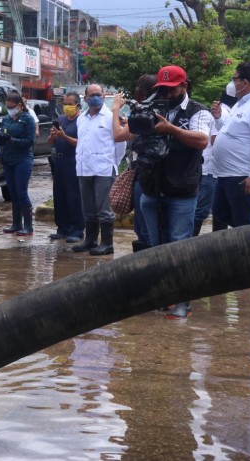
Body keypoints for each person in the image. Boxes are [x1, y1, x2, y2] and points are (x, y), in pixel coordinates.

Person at [139, 65, 212, 319]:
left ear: (184, 86)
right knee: (156, 247)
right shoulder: (154, 108)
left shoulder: (198, 111)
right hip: (152, 187)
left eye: (172, 90)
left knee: (179, 246)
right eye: (163, 90)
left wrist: (171, 130)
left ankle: (183, 300)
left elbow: (202, 140)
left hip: (182, 190)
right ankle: (164, 296)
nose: (167, 95)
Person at [211, 61, 250, 229]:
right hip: (225, 174)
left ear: (245, 82)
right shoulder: (242, 103)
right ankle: (244, 244)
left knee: (244, 223)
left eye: (234, 79)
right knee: (220, 213)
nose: (232, 83)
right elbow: (230, 131)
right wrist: (218, 118)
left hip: (242, 176)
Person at [72, 84, 126, 255]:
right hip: (84, 168)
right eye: (92, 94)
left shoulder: (111, 117)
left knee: (104, 209)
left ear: (104, 97)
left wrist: (112, 163)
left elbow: (121, 145)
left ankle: (107, 244)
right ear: (85, 98)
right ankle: (90, 240)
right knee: (88, 208)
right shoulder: (81, 119)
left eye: (98, 94)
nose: (95, 97)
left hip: (104, 169)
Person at [112, 74, 157, 252]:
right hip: (158, 173)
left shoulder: (143, 111)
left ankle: (146, 263)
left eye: (138, 89)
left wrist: (115, 109)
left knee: (143, 226)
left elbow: (118, 135)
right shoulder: (160, 110)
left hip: (144, 173)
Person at [193, 89, 237, 236]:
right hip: (210, 170)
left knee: (219, 209)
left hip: (213, 169)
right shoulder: (224, 113)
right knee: (201, 210)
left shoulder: (224, 111)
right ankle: (189, 246)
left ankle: (218, 243)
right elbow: (215, 139)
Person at [0, 92, 36, 236]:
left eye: (12, 106)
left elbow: (29, 142)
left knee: (21, 192)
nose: (9, 108)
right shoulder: (7, 119)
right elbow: (3, 137)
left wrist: (11, 140)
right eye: (7, 106)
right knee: (13, 193)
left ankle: (28, 226)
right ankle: (16, 223)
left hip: (22, 159)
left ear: (19, 105)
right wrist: (0, 138)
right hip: (8, 159)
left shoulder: (28, 119)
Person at [47, 91, 83, 243]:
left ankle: (76, 230)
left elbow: (81, 143)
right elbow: (50, 142)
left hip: (73, 161)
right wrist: (54, 136)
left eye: (70, 104)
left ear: (78, 105)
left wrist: (64, 137)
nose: (67, 107)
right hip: (59, 161)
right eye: (65, 104)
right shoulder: (61, 119)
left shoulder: (82, 121)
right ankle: (62, 228)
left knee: (73, 196)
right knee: (59, 195)